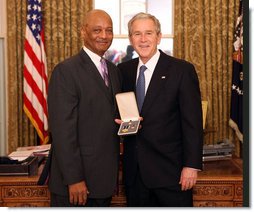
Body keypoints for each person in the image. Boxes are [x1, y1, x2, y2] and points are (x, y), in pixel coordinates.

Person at [117, 12, 203, 207]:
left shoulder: (181, 70)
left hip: (171, 174)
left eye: (149, 33)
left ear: (159, 36)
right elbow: (121, 111)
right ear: (131, 39)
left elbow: (193, 123)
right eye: (137, 34)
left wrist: (191, 166)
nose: (143, 39)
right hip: (135, 175)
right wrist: (119, 121)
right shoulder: (123, 71)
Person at [47, 9, 121, 207]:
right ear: (83, 32)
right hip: (77, 185)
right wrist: (74, 178)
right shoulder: (66, 71)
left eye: (109, 30)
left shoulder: (113, 70)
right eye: (97, 30)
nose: (104, 36)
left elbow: (107, 117)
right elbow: (63, 131)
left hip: (104, 181)